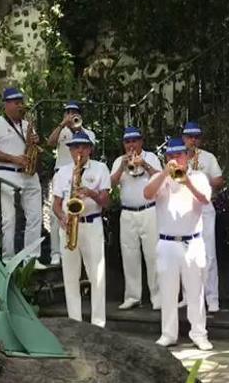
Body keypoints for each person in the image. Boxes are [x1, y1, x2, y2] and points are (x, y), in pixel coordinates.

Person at [144, 137, 214, 351]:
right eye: (171, 155)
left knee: (195, 291)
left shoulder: (199, 177)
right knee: (168, 291)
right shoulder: (160, 177)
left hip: (192, 242)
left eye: (179, 155)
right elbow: (147, 194)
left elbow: (204, 199)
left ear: (187, 156)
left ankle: (199, 334)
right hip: (167, 243)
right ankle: (168, 334)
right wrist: (165, 174)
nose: (175, 159)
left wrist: (187, 182)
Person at [51, 131, 110, 327]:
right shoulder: (62, 172)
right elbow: (56, 204)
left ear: (90, 149)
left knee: (97, 276)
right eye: (75, 147)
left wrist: (91, 193)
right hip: (69, 226)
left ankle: (98, 323)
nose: (80, 150)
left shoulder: (101, 169)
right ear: (69, 150)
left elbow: (106, 201)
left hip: (92, 224)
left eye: (84, 146)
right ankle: (74, 322)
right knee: (70, 276)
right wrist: (61, 217)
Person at [0, 87, 43, 261]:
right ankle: (8, 259)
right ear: (6, 104)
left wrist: (35, 144)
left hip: (30, 175)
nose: (20, 106)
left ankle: (31, 259)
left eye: (21, 102)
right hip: (7, 173)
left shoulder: (27, 125)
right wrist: (14, 159)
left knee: (35, 217)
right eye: (16, 103)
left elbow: (36, 151)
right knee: (9, 219)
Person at [110, 126, 163, 310]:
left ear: (141, 142)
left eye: (134, 141)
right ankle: (132, 296)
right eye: (127, 142)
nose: (131, 145)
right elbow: (110, 184)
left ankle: (158, 297)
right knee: (129, 254)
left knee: (153, 254)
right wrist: (121, 168)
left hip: (149, 211)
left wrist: (145, 165)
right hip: (127, 213)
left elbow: (161, 178)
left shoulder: (151, 157)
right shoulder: (119, 160)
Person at [46, 101, 97, 265]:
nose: (70, 115)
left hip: (81, 173)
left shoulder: (87, 132)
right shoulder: (61, 131)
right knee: (56, 214)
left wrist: (78, 129)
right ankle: (55, 252)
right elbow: (50, 143)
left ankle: (77, 249)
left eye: (74, 112)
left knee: (79, 213)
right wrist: (63, 125)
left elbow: (92, 148)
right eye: (67, 112)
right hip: (61, 173)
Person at [181, 122, 224, 313]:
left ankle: (212, 298)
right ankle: (187, 296)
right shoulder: (178, 158)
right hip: (183, 209)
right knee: (184, 253)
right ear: (183, 138)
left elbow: (219, 181)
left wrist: (201, 177)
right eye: (189, 137)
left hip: (205, 207)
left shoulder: (208, 157)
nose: (193, 140)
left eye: (196, 137)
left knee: (209, 254)